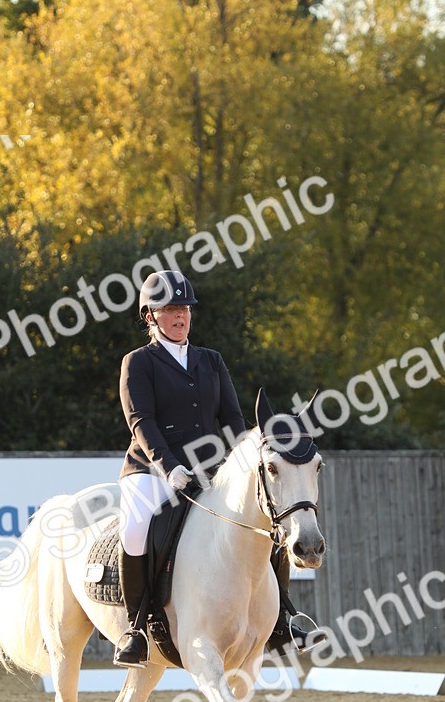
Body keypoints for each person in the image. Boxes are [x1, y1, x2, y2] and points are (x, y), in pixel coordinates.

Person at [114, 268, 323, 667]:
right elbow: (141, 421)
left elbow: (231, 419)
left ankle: (283, 619)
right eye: (170, 309)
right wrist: (169, 466)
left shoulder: (210, 360)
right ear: (150, 316)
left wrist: (241, 459)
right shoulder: (138, 362)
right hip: (151, 469)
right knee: (137, 529)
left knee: (269, 520)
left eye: (185, 309)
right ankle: (137, 628)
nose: (180, 316)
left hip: (209, 469)